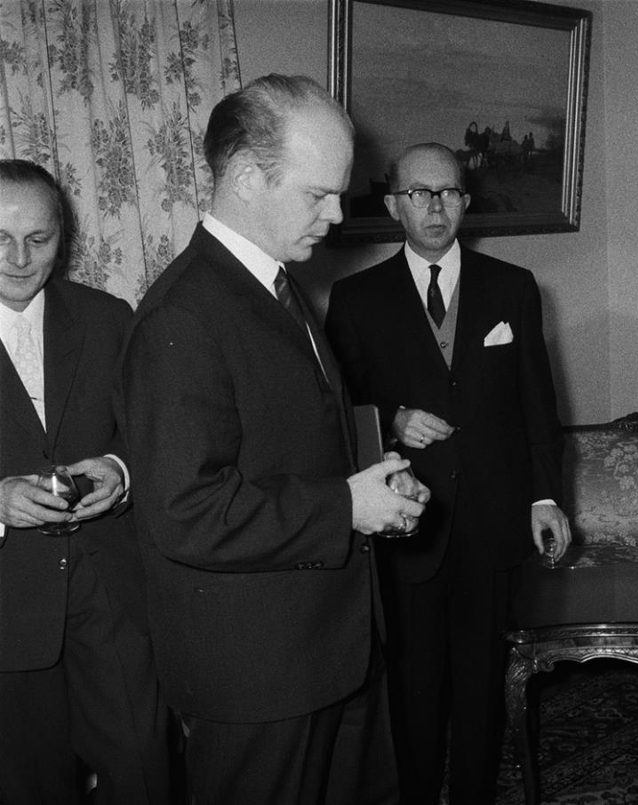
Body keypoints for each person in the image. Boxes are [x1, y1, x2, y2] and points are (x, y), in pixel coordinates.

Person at [118, 74, 425, 804]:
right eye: (319, 194)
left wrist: (375, 481)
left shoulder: (274, 284)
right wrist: (346, 508)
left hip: (331, 649)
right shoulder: (182, 315)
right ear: (247, 177)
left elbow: (292, 438)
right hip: (258, 677)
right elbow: (185, 511)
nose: (337, 215)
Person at [325, 141, 569, 804]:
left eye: (449, 193)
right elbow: (338, 415)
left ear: (466, 201)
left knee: (483, 689)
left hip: (493, 522)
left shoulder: (513, 287)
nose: (435, 207)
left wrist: (545, 498)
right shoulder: (355, 298)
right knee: (414, 690)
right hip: (406, 526)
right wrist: (393, 419)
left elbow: (538, 404)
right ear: (392, 206)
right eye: (419, 194)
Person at [0, 159, 170, 803]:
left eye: (38, 239)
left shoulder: (108, 317)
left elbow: (155, 434)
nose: (19, 259)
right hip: (8, 611)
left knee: (144, 775)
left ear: (62, 238)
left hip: (112, 597)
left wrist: (120, 471)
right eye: (0, 239)